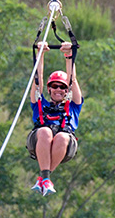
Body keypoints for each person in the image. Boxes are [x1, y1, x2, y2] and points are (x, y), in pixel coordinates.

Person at [26, 41, 83, 196]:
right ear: (49, 88)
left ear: (67, 90)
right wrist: (40, 55)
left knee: (62, 136)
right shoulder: (40, 103)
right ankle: (45, 178)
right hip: (39, 140)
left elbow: (73, 80)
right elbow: (38, 80)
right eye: (55, 86)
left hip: (65, 145)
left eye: (62, 87)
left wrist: (69, 56)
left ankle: (44, 178)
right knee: (45, 131)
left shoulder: (73, 106)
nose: (58, 89)